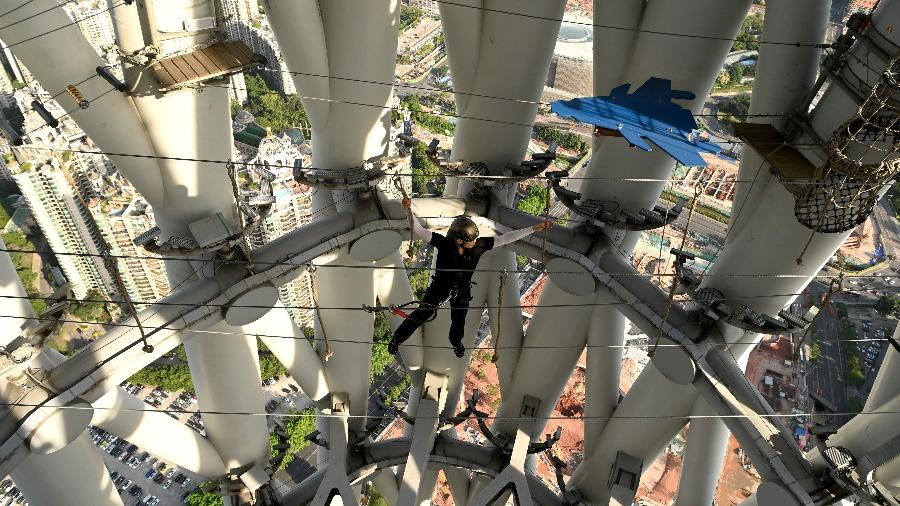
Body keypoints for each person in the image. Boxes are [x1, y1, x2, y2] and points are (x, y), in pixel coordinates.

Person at [388, 198, 551, 358]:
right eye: (471, 240)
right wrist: (408, 209)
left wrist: (532, 229)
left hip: (462, 290)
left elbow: (505, 239)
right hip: (440, 288)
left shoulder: (477, 246)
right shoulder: (445, 244)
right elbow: (419, 230)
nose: (474, 242)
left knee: (459, 322)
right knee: (421, 314)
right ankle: (398, 339)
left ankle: (456, 342)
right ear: (459, 241)